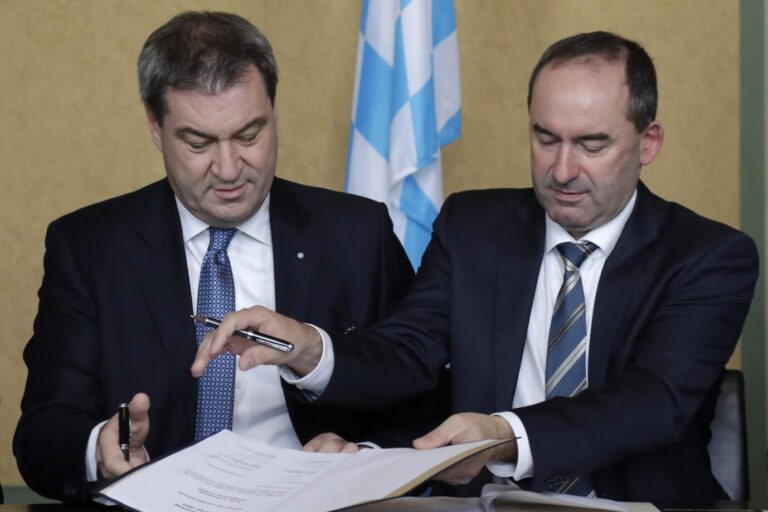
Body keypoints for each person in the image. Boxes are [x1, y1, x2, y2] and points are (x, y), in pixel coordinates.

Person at [193, 31, 759, 503]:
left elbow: (649, 402)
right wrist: (312, 350)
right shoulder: (474, 227)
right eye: (545, 138)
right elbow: (408, 352)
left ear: (647, 141)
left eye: (592, 145)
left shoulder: (709, 256)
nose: (563, 170)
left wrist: (504, 436)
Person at [13, 11, 440, 503]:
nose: (229, 168)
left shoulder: (357, 233)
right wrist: (98, 449)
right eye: (199, 143)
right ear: (155, 128)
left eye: (249, 135)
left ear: (274, 113)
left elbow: (424, 398)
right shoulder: (89, 248)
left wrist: (361, 456)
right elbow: (42, 433)